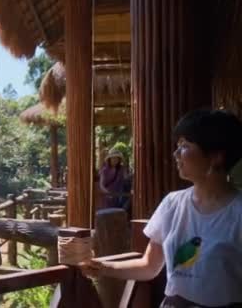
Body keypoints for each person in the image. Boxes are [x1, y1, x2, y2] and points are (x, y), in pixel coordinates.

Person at [80, 109, 242, 307]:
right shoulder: (172, 204)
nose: (175, 153)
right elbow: (149, 266)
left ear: (216, 156)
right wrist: (102, 268)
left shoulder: (238, 212)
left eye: (184, 146)